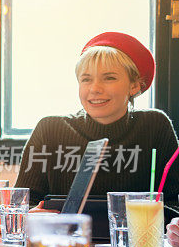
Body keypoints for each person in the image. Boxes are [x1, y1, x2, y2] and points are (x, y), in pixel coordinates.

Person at [15, 32, 179, 205]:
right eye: (86, 79)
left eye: (109, 78)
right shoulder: (49, 129)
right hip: (62, 232)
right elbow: (21, 205)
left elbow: (172, 203)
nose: (95, 88)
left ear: (135, 85)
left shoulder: (155, 126)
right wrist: (33, 216)